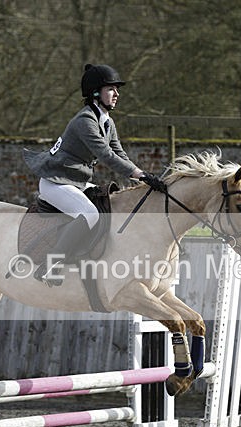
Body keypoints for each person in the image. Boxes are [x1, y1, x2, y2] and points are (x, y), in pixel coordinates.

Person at [23, 63, 166, 285]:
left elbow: (120, 153)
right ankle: (50, 265)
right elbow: (107, 156)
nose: (117, 94)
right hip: (55, 183)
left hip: (77, 182)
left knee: (110, 204)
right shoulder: (85, 121)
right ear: (96, 92)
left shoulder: (107, 122)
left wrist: (144, 175)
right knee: (90, 215)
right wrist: (141, 175)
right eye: (111, 89)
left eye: (117, 89)